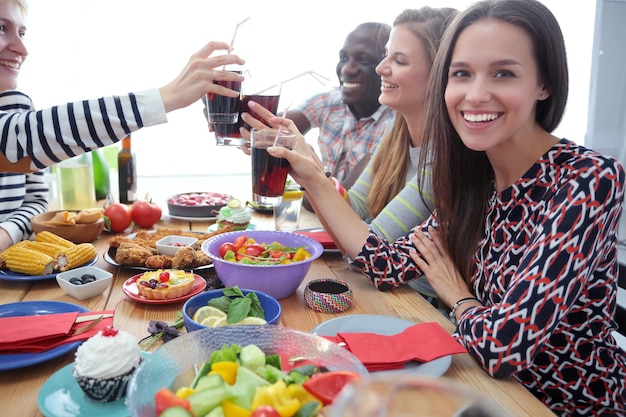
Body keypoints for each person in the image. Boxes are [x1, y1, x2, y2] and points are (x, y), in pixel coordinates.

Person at [261, 0, 626, 415]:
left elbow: (501, 346)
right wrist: (310, 174)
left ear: (544, 83)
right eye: (461, 74)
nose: (475, 94)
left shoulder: (587, 178)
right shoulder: (476, 177)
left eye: (503, 73)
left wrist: (457, 296)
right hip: (476, 389)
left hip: (561, 406)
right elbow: (387, 265)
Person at [243, 7, 456, 300]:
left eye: (399, 60)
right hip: (391, 294)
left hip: (422, 306)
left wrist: (314, 176)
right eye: (386, 56)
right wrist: (308, 165)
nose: (382, 68)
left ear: (440, 74)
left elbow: (372, 250)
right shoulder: (397, 137)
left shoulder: (446, 159)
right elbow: (354, 213)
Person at [0, 0, 244, 251]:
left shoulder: (14, 103)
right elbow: (14, 142)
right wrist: (164, 97)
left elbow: (35, 196)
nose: (22, 48)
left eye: (22, 33)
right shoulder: (14, 124)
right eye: (1, 28)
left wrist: (6, 233)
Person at [284, 21, 394, 185]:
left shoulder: (395, 124)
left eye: (363, 59)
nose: (346, 70)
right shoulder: (329, 101)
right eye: (343, 58)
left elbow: (344, 200)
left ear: (387, 67)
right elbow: (268, 129)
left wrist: (308, 172)